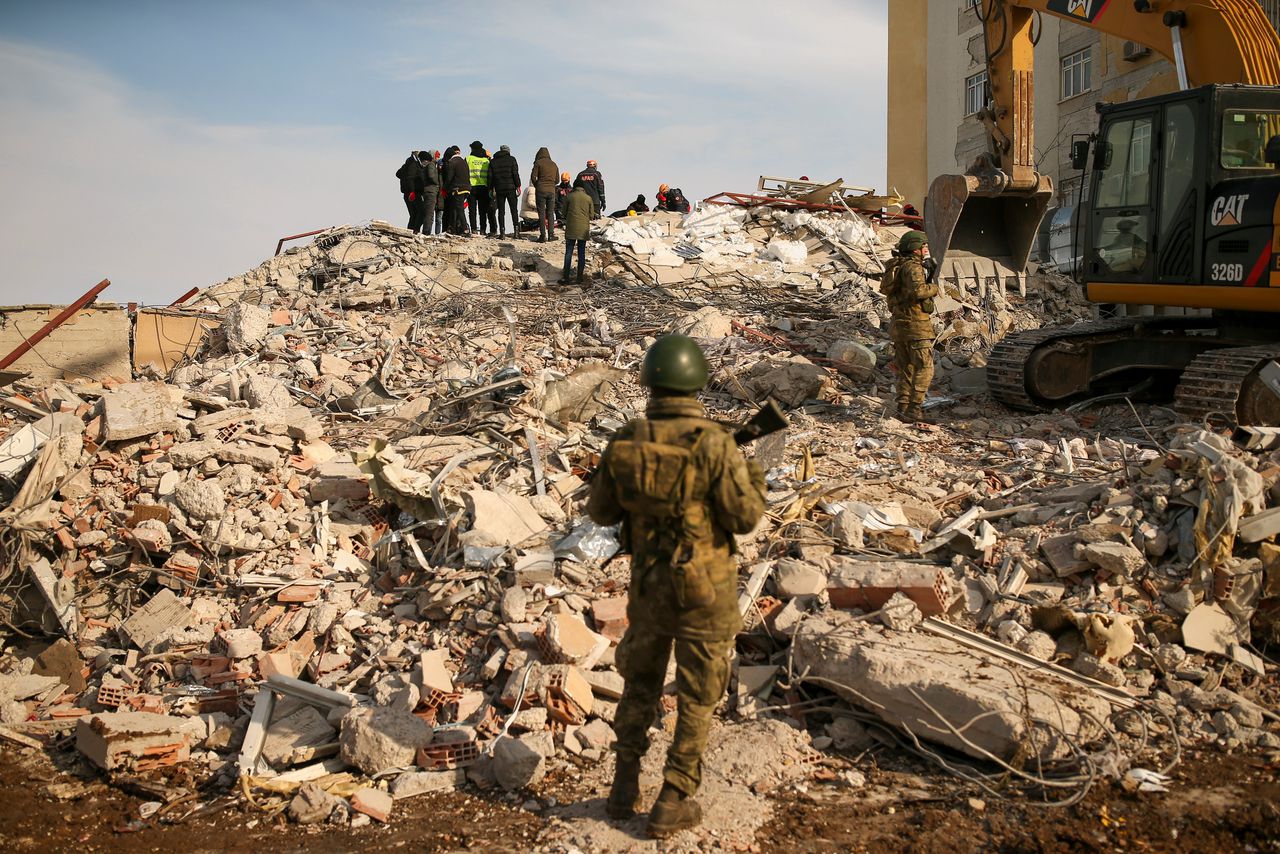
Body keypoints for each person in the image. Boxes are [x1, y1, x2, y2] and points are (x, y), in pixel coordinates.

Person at [586, 335, 766, 838]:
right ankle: (673, 796)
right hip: (705, 593)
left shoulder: (627, 437)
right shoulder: (715, 443)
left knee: (639, 683)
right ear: (697, 380)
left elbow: (600, 513)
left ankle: (623, 788)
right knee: (698, 695)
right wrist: (752, 473)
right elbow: (744, 516)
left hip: (648, 588)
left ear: (650, 381)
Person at [879, 230, 938, 422]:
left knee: (906, 367)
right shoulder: (913, 268)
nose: (926, 250)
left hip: (899, 325)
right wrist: (936, 287)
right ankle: (914, 409)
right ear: (915, 249)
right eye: (924, 246)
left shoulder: (896, 266)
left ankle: (902, 406)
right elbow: (919, 291)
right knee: (925, 367)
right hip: (916, 325)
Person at [561, 179, 594, 283]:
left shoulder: (569, 197)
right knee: (581, 253)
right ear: (583, 187)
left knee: (569, 253)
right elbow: (592, 215)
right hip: (583, 229)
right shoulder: (588, 198)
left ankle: (565, 277)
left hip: (571, 228)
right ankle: (579, 277)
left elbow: (563, 213)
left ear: (574, 187)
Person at [489, 144, 521, 238]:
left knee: (501, 211)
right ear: (508, 151)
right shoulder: (512, 159)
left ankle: (502, 233)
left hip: (499, 189)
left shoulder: (493, 161)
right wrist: (518, 185)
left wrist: (491, 188)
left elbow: (490, 177)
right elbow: (515, 173)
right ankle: (516, 232)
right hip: (511, 188)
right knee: (514, 210)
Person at [529, 146, 559, 242]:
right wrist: (551, 185)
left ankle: (543, 236)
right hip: (551, 190)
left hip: (541, 190)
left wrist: (537, 185)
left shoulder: (538, 163)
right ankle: (551, 235)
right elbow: (557, 180)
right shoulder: (554, 164)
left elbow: (533, 177)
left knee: (541, 213)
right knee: (550, 213)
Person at [395, 151, 427, 234]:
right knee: (421, 212)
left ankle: (410, 232)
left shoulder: (407, 165)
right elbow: (410, 178)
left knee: (414, 214)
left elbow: (398, 174)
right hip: (413, 193)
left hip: (408, 193)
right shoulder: (413, 164)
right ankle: (415, 231)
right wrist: (412, 190)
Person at [442, 146, 471, 235]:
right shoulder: (464, 162)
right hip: (467, 188)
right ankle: (452, 228)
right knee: (455, 209)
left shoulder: (452, 162)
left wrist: (444, 189)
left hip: (458, 189)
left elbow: (449, 178)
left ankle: (465, 229)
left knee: (459, 209)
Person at [466, 141, 492, 235]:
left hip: (471, 187)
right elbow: (490, 175)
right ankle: (483, 230)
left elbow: (464, 174)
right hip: (484, 188)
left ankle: (473, 229)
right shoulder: (486, 160)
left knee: (472, 210)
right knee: (483, 210)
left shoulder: (468, 159)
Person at [420, 150, 440, 235]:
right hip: (431, 191)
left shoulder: (426, 165)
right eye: (437, 155)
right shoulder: (431, 165)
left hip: (427, 191)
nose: (438, 158)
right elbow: (431, 176)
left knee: (428, 212)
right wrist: (437, 183)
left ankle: (426, 231)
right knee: (430, 213)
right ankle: (426, 232)